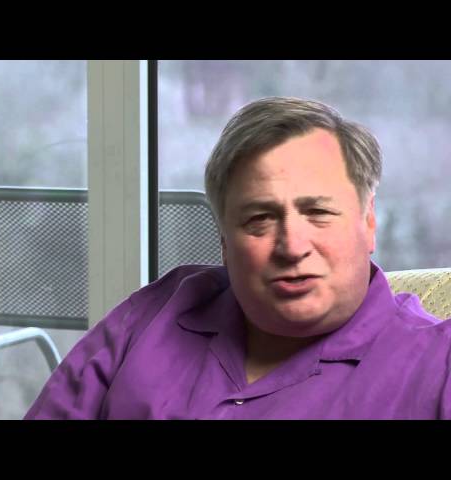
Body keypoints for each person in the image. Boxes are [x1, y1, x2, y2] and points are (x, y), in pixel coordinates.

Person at [24, 96, 451, 419]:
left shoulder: (437, 366)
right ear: (224, 241)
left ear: (368, 220)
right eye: (260, 219)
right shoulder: (158, 311)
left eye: (318, 212)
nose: (292, 246)